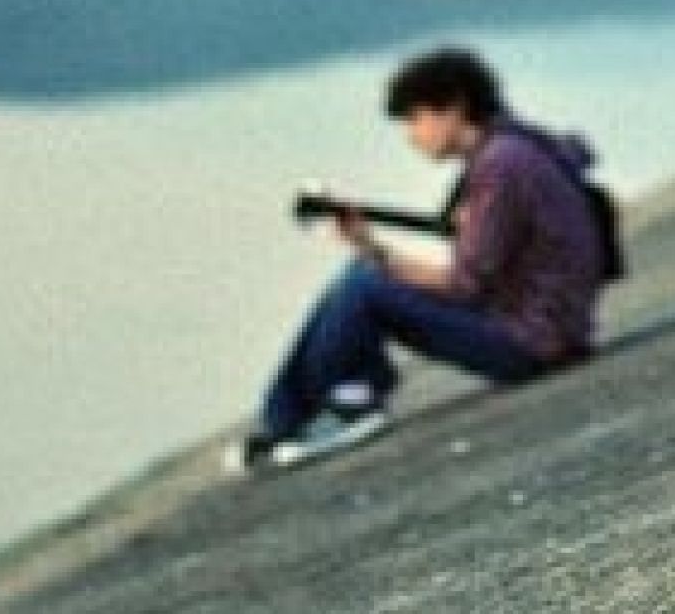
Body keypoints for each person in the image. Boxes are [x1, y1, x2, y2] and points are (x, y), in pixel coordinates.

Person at [228, 48, 610, 473]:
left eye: (415, 118)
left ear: (454, 107)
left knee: (366, 285)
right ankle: (331, 403)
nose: (412, 135)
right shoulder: (515, 145)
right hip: (549, 328)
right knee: (364, 276)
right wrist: (372, 248)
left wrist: (376, 252)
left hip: (533, 343)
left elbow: (465, 283)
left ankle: (309, 416)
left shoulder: (502, 165)